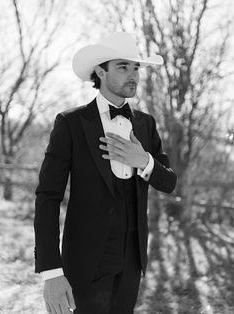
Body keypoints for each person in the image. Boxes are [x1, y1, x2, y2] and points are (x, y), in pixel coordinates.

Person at [34, 32, 177, 314]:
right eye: (123, 66)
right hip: (85, 264)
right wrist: (51, 271)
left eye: (136, 67)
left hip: (132, 262)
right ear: (101, 71)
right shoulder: (71, 123)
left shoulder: (146, 124)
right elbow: (47, 197)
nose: (133, 74)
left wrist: (144, 160)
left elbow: (169, 181)